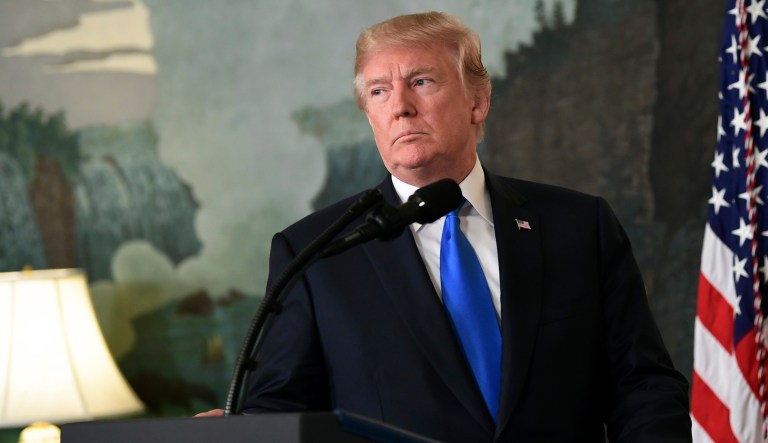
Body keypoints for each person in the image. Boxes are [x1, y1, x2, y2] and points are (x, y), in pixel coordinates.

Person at [199, 11, 691, 442]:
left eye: (421, 82)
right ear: (369, 115)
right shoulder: (314, 252)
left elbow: (642, 386)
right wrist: (241, 431)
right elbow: (285, 408)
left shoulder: (578, 226)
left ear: (478, 102)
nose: (400, 107)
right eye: (378, 91)